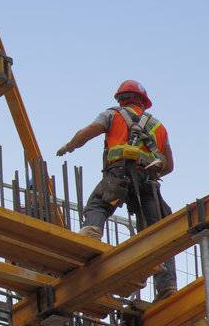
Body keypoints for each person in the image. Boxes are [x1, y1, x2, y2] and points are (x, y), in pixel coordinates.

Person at [55, 79, 177, 297]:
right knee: (157, 230)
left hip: (119, 173)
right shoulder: (160, 127)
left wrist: (70, 145)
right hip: (148, 180)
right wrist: (150, 169)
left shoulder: (113, 114)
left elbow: (88, 132)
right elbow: (169, 166)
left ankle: (92, 232)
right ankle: (166, 285)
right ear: (143, 101)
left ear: (121, 99)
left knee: (99, 203)